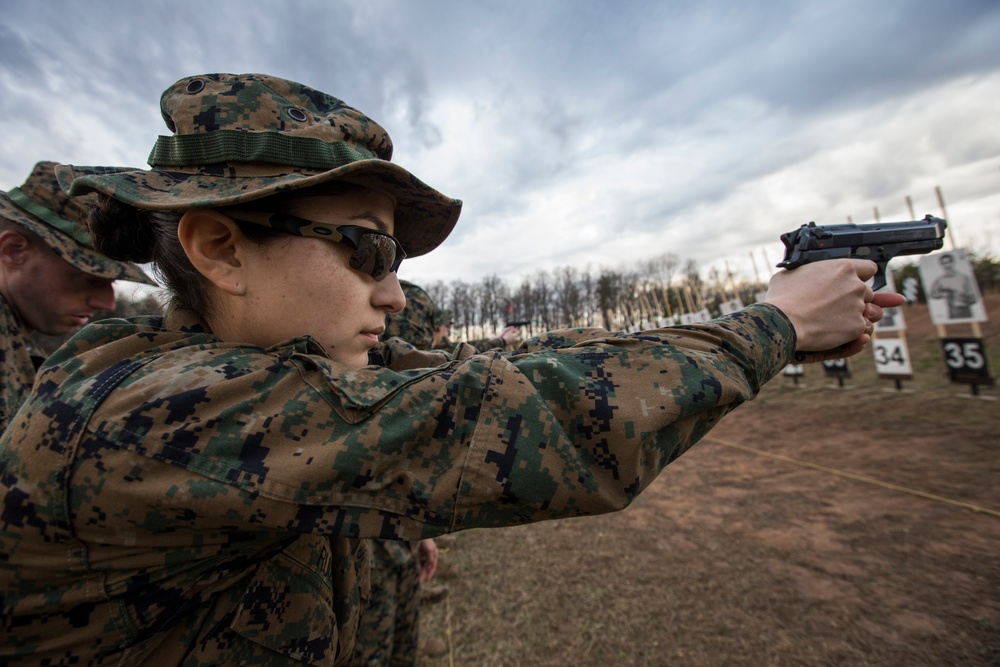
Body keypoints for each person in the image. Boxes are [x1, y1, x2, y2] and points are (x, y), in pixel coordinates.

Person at [0, 72, 900, 666]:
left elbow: (491, 365)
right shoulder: (144, 407)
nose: (393, 295)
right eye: (366, 251)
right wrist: (770, 326)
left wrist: (778, 322)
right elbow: (526, 413)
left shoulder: (253, 360)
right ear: (220, 248)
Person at [0, 161, 152, 431]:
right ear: (13, 251)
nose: (106, 302)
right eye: (90, 279)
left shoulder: (16, 342)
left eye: (111, 282)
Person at [929, 252, 978, 320]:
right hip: (952, 310)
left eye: (948, 262)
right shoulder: (940, 280)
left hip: (965, 309)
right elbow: (932, 294)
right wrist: (945, 294)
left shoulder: (963, 278)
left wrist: (963, 298)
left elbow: (973, 298)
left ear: (952, 262)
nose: (946, 266)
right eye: (943, 263)